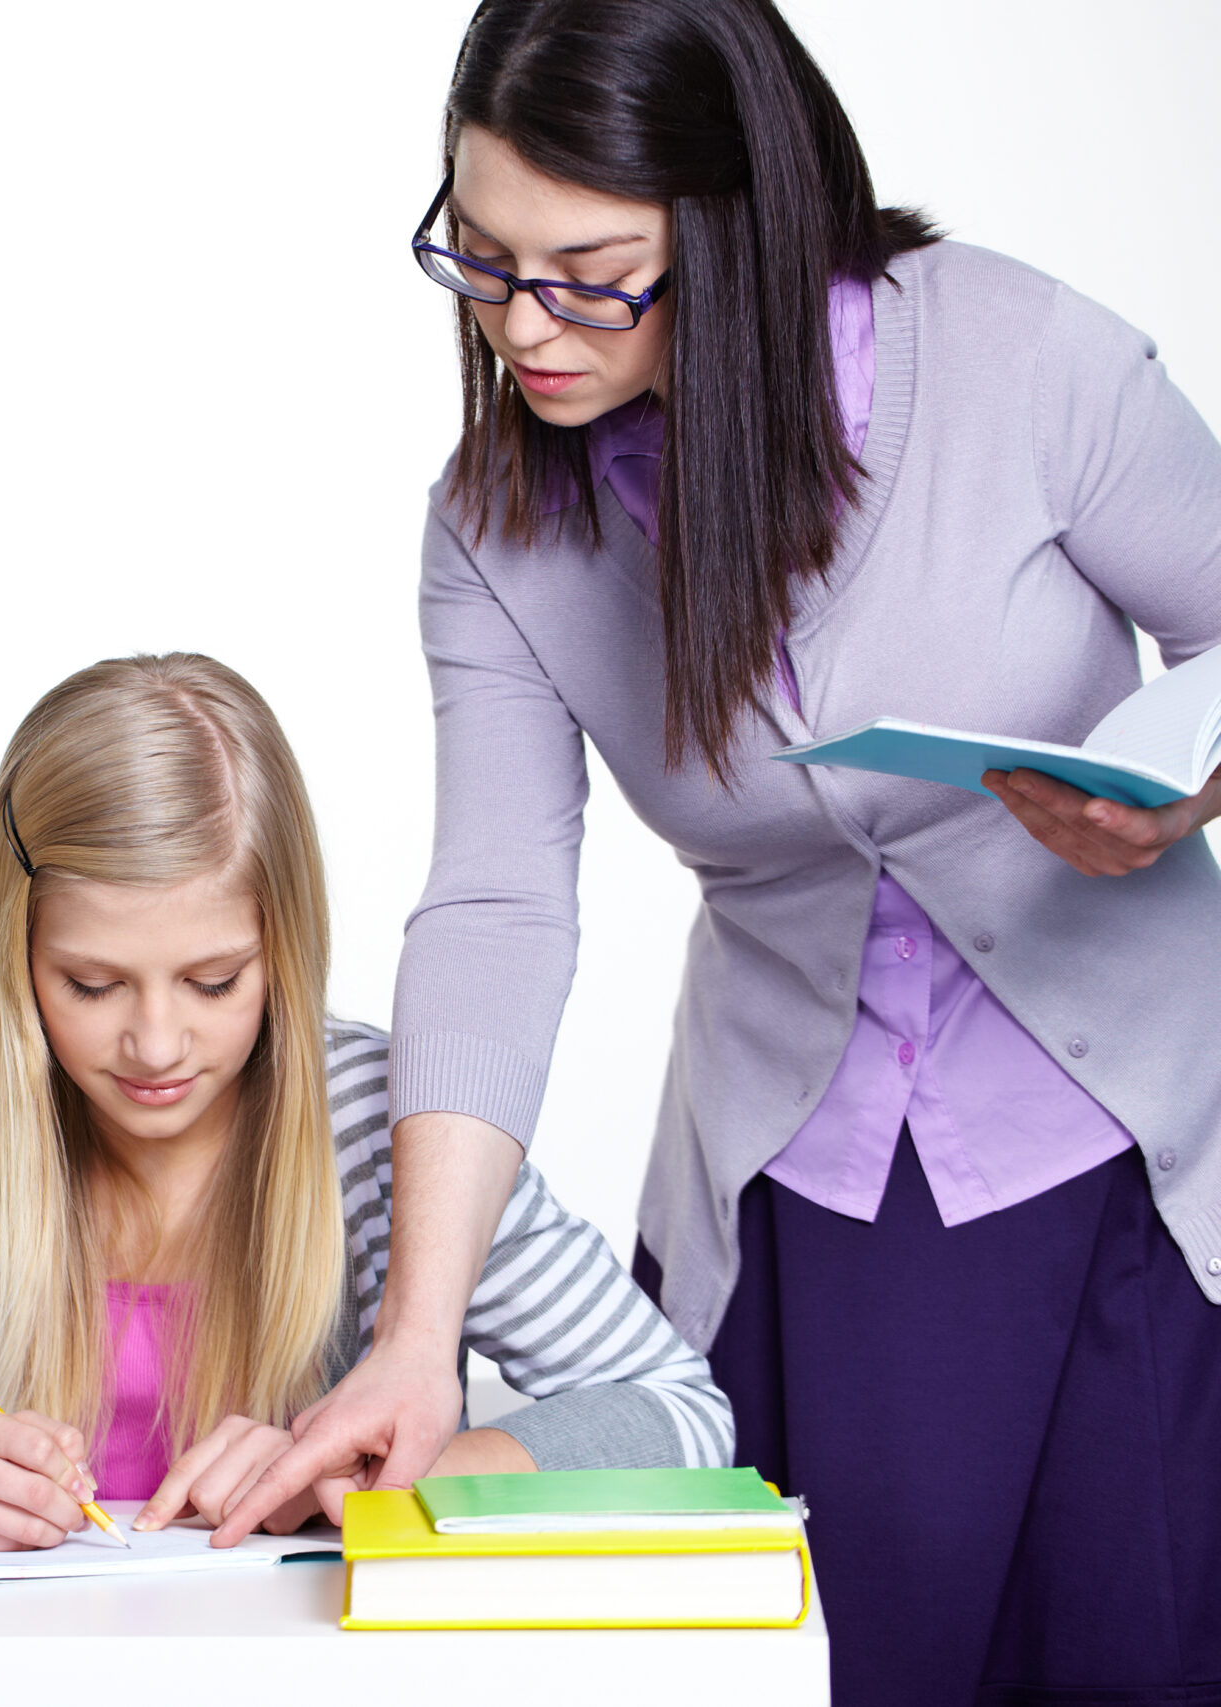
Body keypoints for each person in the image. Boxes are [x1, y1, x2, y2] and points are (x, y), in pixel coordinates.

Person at [217, 3, 1221, 1701]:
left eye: (592, 273)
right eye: (484, 259)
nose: (524, 324)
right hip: (794, 1176)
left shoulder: (1028, 360)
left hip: (1126, 1147)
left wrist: (1185, 787)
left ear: (743, 222)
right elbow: (497, 904)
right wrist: (417, 1338)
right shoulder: (498, 525)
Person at [0, 654, 727, 1549]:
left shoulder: (380, 1122)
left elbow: (681, 1417)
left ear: (285, 945)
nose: (155, 1044)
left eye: (213, 982)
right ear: (18, 955)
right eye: (90, 985)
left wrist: (388, 1476)